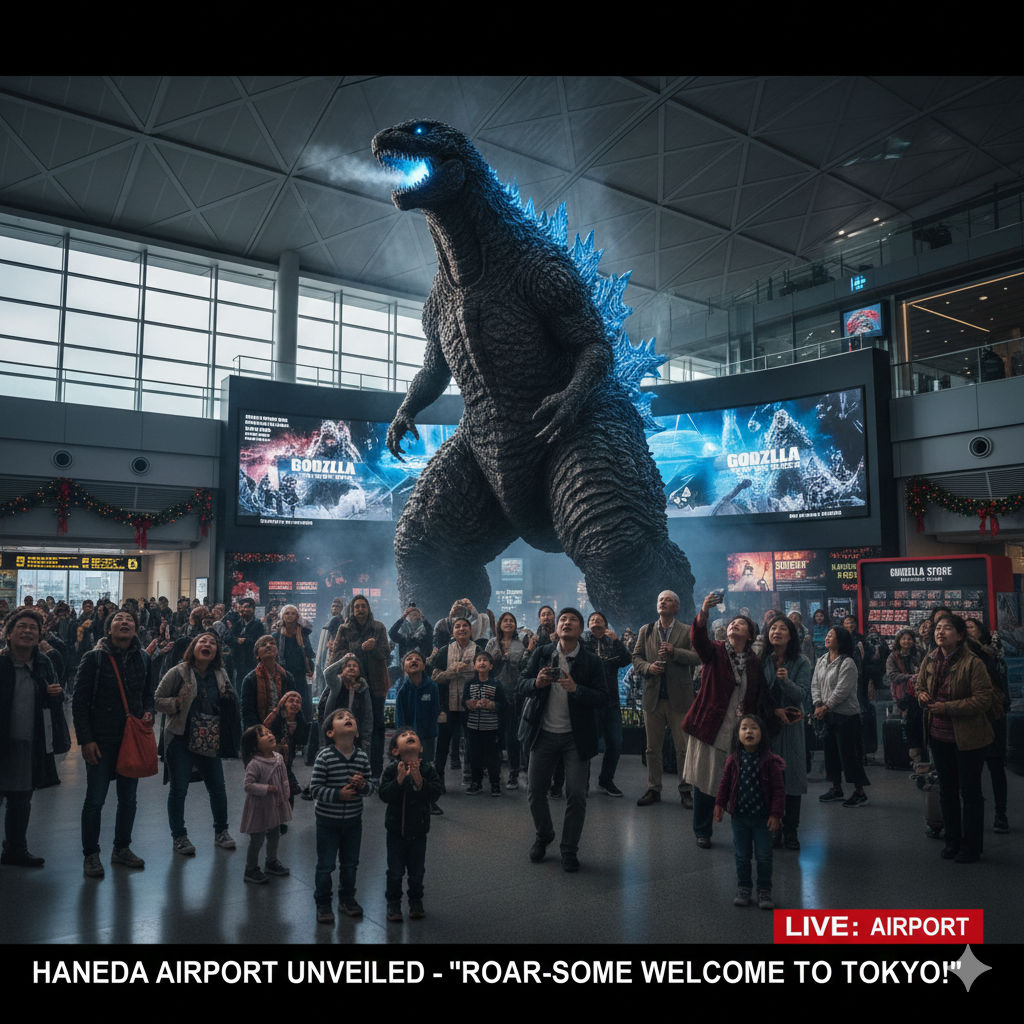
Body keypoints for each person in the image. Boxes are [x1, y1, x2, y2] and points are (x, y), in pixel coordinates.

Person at [682, 593, 777, 849]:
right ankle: (702, 830)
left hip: (739, 729)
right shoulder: (714, 651)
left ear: (750, 635)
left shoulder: (753, 661)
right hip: (711, 725)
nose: (735, 625)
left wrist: (775, 713)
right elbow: (697, 639)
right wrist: (703, 611)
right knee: (705, 781)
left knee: (739, 781)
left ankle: (742, 832)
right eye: (733, 622)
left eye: (742, 623)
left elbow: (759, 693)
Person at [518, 607, 608, 872]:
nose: (567, 623)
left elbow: (603, 697)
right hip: (543, 732)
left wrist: (576, 689)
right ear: (556, 629)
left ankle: (569, 849)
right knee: (535, 791)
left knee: (577, 794)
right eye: (563, 620)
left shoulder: (592, 662)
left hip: (575, 737)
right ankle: (544, 834)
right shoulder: (542, 654)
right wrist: (536, 683)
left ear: (581, 630)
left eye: (573, 620)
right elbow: (520, 684)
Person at [72, 608, 155, 877]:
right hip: (101, 741)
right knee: (95, 800)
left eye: (129, 620)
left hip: (130, 741)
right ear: (109, 629)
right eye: (118, 619)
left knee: (128, 799)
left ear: (136, 629)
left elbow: (148, 695)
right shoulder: (94, 658)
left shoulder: (144, 658)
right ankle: (91, 854)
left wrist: (148, 711)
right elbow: (79, 702)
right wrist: (86, 740)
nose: (124, 622)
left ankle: (121, 848)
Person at [916, 614, 999, 863]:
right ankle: (952, 841)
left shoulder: (973, 663)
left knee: (970, 792)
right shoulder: (930, 658)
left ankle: (971, 846)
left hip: (969, 737)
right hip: (938, 735)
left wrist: (947, 708)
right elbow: (920, 685)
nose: (940, 632)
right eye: (938, 628)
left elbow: (983, 700)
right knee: (947, 790)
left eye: (948, 628)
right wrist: (921, 695)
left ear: (960, 635)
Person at [153, 631, 240, 855]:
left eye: (213, 643)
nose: (208, 644)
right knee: (179, 789)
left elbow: (230, 701)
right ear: (193, 647)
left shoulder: (220, 673)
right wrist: (177, 702)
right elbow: (157, 700)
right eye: (203, 641)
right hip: (180, 739)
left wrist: (228, 698)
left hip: (210, 737)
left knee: (218, 788)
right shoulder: (178, 672)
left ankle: (221, 831)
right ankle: (179, 836)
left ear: (216, 652)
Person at [0, 608, 64, 867]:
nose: (27, 631)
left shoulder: (44, 663)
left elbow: (55, 700)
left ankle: (15, 849)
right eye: (22, 627)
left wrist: (55, 693)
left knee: (21, 798)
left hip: (30, 743)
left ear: (40, 635)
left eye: (33, 628)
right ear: (9, 633)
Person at [633, 590, 700, 808]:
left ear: (676, 607)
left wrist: (675, 652)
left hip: (679, 698)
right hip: (653, 697)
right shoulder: (647, 630)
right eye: (660, 599)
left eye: (668, 599)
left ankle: (685, 790)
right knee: (652, 749)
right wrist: (648, 668)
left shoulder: (687, 630)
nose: (663, 602)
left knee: (683, 748)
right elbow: (636, 657)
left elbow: (697, 657)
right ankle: (654, 789)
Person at [714, 714, 785, 910]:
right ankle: (743, 887)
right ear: (738, 735)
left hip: (763, 819)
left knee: (764, 855)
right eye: (744, 728)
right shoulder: (733, 760)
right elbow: (724, 784)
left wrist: (776, 814)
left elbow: (779, 790)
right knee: (742, 855)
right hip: (740, 818)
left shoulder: (770, 761)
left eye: (754, 728)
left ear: (762, 733)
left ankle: (764, 889)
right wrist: (719, 805)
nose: (749, 731)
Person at [310, 708, 373, 923]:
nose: (348, 718)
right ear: (330, 733)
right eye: (340, 717)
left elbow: (372, 788)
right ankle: (323, 901)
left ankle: (347, 898)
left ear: (356, 732)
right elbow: (315, 789)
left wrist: (363, 786)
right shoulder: (325, 756)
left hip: (354, 823)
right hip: (327, 823)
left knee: (350, 864)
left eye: (351, 717)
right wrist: (338, 794)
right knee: (326, 865)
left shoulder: (362, 757)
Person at [757, 615, 810, 850]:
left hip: (791, 726)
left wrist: (785, 680)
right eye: (772, 628)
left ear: (791, 635)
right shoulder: (761, 660)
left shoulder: (801, 662)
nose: (776, 631)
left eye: (782, 628)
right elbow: (757, 694)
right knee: (769, 779)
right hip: (768, 726)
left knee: (792, 778)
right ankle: (774, 828)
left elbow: (801, 695)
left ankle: (791, 831)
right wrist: (773, 710)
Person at [378, 727, 442, 922]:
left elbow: (434, 794)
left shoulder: (428, 769)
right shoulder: (391, 770)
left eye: (413, 734)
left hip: (419, 832)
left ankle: (416, 901)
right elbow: (384, 795)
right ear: (396, 751)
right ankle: (393, 903)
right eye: (404, 736)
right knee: (395, 872)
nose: (409, 736)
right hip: (396, 832)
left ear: (421, 748)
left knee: (417, 871)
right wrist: (399, 780)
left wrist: (418, 780)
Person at [240, 635, 306, 803]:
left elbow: (295, 703)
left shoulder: (287, 676)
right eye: (264, 644)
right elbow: (247, 711)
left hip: (284, 735)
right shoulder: (250, 679)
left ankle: (283, 817)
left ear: (277, 650)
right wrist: (258, 736)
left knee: (285, 774)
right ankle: (268, 819)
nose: (269, 645)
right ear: (257, 655)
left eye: (272, 643)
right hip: (262, 736)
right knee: (265, 777)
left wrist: (296, 729)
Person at [813, 625, 870, 807]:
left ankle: (859, 792)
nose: (827, 637)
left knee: (849, 755)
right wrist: (817, 704)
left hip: (846, 716)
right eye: (827, 634)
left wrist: (826, 706)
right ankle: (836, 788)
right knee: (830, 753)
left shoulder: (848, 663)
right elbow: (815, 683)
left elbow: (842, 691)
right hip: (827, 714)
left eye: (832, 635)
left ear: (841, 641)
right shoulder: (822, 659)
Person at [334, 596, 391, 780]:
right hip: (351, 684)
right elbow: (337, 656)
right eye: (356, 606)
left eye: (363, 606)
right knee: (351, 725)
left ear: (368, 608)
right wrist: (359, 647)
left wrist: (373, 648)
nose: (360, 609)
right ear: (352, 609)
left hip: (375, 684)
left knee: (377, 725)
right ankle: (350, 769)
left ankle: (376, 770)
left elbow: (386, 654)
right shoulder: (344, 628)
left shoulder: (379, 627)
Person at [964, 617, 1010, 834]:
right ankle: (974, 816)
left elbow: (999, 675)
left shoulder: (991, 649)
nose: (968, 631)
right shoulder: (960, 655)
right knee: (972, 770)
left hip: (993, 714)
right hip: (972, 718)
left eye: (971, 627)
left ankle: (1001, 813)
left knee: (995, 766)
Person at [579, 612, 631, 798]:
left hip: (611, 702)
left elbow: (627, 659)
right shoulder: (583, 642)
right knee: (586, 743)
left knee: (615, 743)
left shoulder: (612, 642)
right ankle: (582, 782)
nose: (595, 621)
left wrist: (617, 640)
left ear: (606, 623)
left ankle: (606, 780)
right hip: (589, 702)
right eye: (592, 619)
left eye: (599, 619)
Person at [431, 617, 483, 790]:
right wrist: (451, 672)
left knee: (473, 742)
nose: (461, 629)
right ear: (452, 631)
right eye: (457, 626)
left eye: (465, 626)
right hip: (447, 705)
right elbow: (434, 677)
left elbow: (484, 676)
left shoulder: (478, 650)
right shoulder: (444, 651)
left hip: (471, 704)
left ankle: (474, 779)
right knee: (443, 742)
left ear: (471, 630)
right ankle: (439, 779)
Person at [238, 724, 292, 884]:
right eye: (263, 734)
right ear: (255, 745)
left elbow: (284, 778)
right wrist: (266, 788)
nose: (269, 735)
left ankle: (271, 861)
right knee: (257, 839)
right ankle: (251, 868)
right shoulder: (255, 763)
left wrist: (285, 795)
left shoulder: (279, 758)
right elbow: (248, 785)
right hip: (259, 808)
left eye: (269, 732)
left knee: (275, 834)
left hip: (275, 805)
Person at [486, 612, 528, 790]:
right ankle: (494, 775)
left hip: (515, 693)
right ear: (500, 624)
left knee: (512, 737)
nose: (509, 623)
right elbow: (484, 664)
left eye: (512, 620)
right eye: (505, 620)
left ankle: (513, 773)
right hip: (494, 692)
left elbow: (526, 667)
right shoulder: (491, 643)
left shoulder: (522, 643)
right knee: (494, 735)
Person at [462, 649, 507, 796]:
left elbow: (503, 704)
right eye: (479, 660)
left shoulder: (496, 684)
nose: (482, 663)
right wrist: (469, 703)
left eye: (485, 660)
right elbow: (464, 701)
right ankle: (476, 782)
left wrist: (493, 705)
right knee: (474, 756)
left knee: (492, 756)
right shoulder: (469, 684)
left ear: (491, 666)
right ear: (474, 665)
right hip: (473, 727)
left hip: (491, 727)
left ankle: (495, 783)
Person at [272, 604, 316, 745]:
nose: (290, 616)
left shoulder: (303, 634)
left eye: (292, 613)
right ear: (282, 616)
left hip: (299, 676)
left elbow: (309, 654)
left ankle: (300, 740)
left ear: (297, 617)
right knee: (282, 705)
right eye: (287, 613)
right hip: (282, 676)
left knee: (300, 706)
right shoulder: (276, 635)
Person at [394, 652, 440, 778]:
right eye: (409, 659)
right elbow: (399, 715)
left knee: (426, 765)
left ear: (424, 665)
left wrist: (431, 733)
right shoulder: (401, 688)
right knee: (408, 764)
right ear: (404, 666)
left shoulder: (432, 686)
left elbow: (435, 712)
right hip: (407, 737)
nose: (413, 660)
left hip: (427, 736)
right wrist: (401, 736)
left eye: (418, 659)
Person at [886, 629, 923, 762]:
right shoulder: (893, 657)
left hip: (919, 693)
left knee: (919, 724)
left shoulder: (918, 654)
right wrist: (910, 677)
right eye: (904, 639)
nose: (907, 641)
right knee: (908, 724)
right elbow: (892, 675)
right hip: (902, 694)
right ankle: (911, 755)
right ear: (899, 641)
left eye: (909, 639)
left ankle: (920, 754)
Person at [229, 598, 265, 688]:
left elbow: (258, 641)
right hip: (237, 663)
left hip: (252, 663)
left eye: (247, 607)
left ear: (253, 609)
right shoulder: (237, 624)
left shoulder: (258, 625)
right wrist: (237, 640)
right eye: (242, 607)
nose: (244, 609)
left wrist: (244, 640)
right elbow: (227, 638)